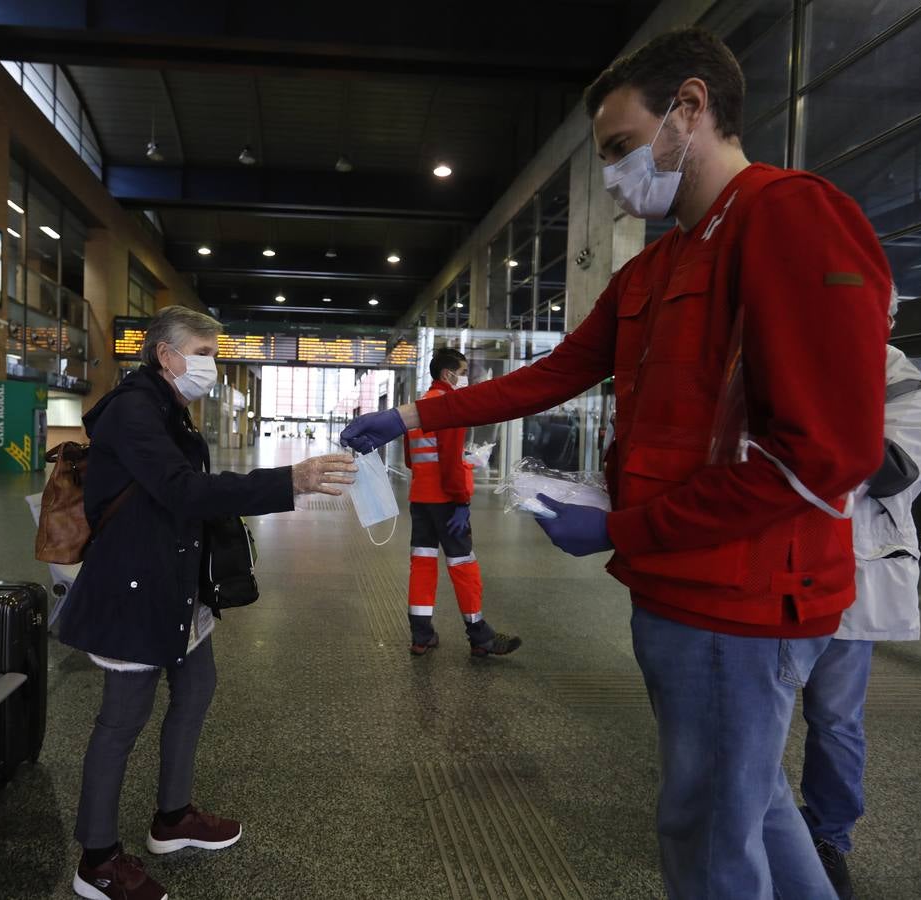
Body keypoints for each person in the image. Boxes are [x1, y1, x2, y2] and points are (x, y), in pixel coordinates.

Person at [342, 27, 890, 899]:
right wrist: (409, 414)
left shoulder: (790, 217)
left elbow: (827, 454)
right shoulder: (660, 263)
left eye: (622, 148)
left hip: (739, 602)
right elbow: (557, 373)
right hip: (680, 588)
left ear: (692, 109)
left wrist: (624, 525)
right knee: (751, 811)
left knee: (708, 836)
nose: (610, 176)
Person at [58, 305, 357, 900]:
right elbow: (182, 490)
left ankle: (173, 818)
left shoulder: (172, 409)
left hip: (177, 583)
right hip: (135, 587)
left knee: (196, 688)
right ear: (167, 356)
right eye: (202, 352)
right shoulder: (135, 410)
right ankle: (96, 859)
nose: (210, 365)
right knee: (121, 720)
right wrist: (287, 482)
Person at [801, 293, 921, 900]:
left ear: (886, 321)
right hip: (771, 572)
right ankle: (748, 822)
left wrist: (816, 400)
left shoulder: (913, 390)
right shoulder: (791, 362)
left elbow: (891, 469)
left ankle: (829, 836)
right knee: (745, 714)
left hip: (853, 580)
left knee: (834, 721)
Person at [405, 348, 521, 657]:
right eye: (463, 371)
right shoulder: (450, 407)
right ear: (448, 375)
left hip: (420, 500)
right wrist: (462, 501)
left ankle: (421, 635)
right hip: (446, 500)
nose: (466, 378)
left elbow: (410, 459)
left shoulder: (416, 408)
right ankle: (480, 636)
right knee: (462, 564)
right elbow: (449, 465)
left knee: (423, 562)